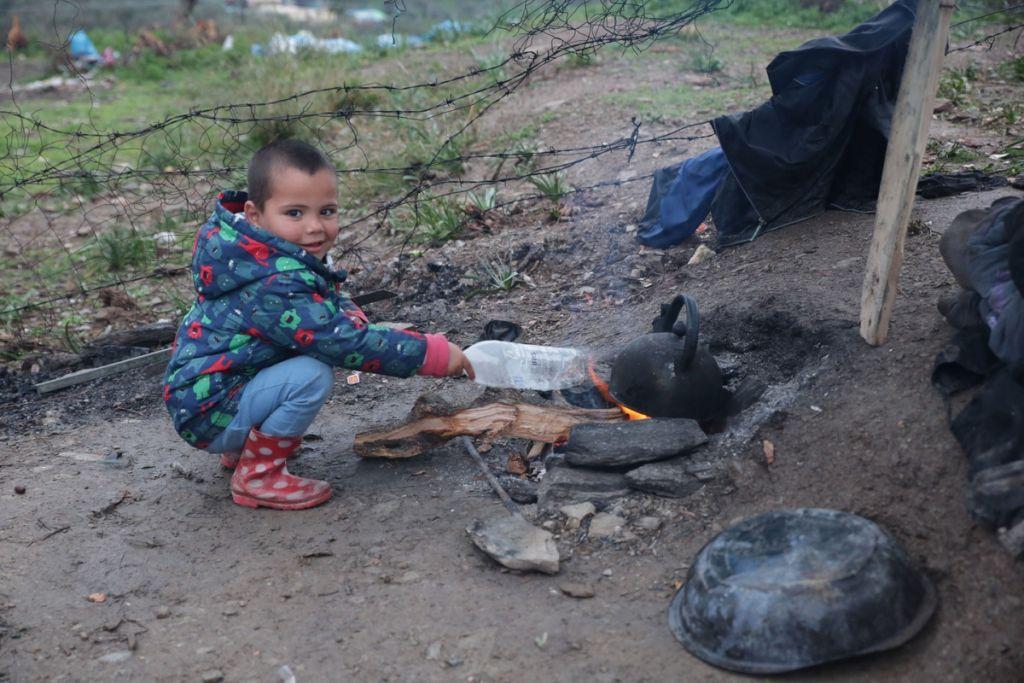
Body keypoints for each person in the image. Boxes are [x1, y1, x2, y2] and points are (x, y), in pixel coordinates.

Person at [163, 139, 474, 511]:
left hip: (210, 395)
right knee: (311, 375)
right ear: (255, 214)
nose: (314, 227)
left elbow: (320, 303)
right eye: (295, 213)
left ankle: (246, 447)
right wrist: (428, 354)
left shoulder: (256, 257)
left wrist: (348, 314)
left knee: (303, 362)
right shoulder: (274, 282)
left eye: (327, 211)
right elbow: (341, 342)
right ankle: (258, 476)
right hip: (210, 414)